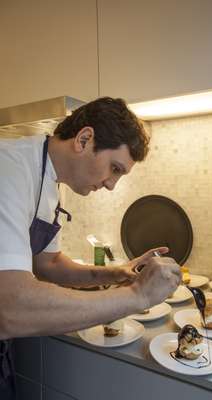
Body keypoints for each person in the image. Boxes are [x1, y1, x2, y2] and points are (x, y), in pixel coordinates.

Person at [0, 97, 181, 399]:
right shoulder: (9, 169)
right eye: (114, 168)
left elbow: (49, 264)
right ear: (84, 139)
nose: (111, 185)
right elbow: (9, 306)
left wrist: (114, 273)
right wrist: (137, 295)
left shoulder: (52, 181)